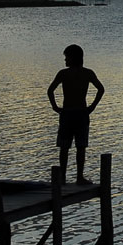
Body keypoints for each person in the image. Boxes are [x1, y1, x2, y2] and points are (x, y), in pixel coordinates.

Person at [47, 44, 105, 183]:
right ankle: (79, 176)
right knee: (80, 147)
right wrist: (92, 107)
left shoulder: (63, 73)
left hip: (68, 113)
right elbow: (101, 89)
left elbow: (50, 90)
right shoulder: (88, 73)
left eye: (67, 57)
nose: (65, 60)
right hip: (81, 113)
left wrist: (55, 107)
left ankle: (63, 177)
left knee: (65, 147)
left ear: (73, 58)